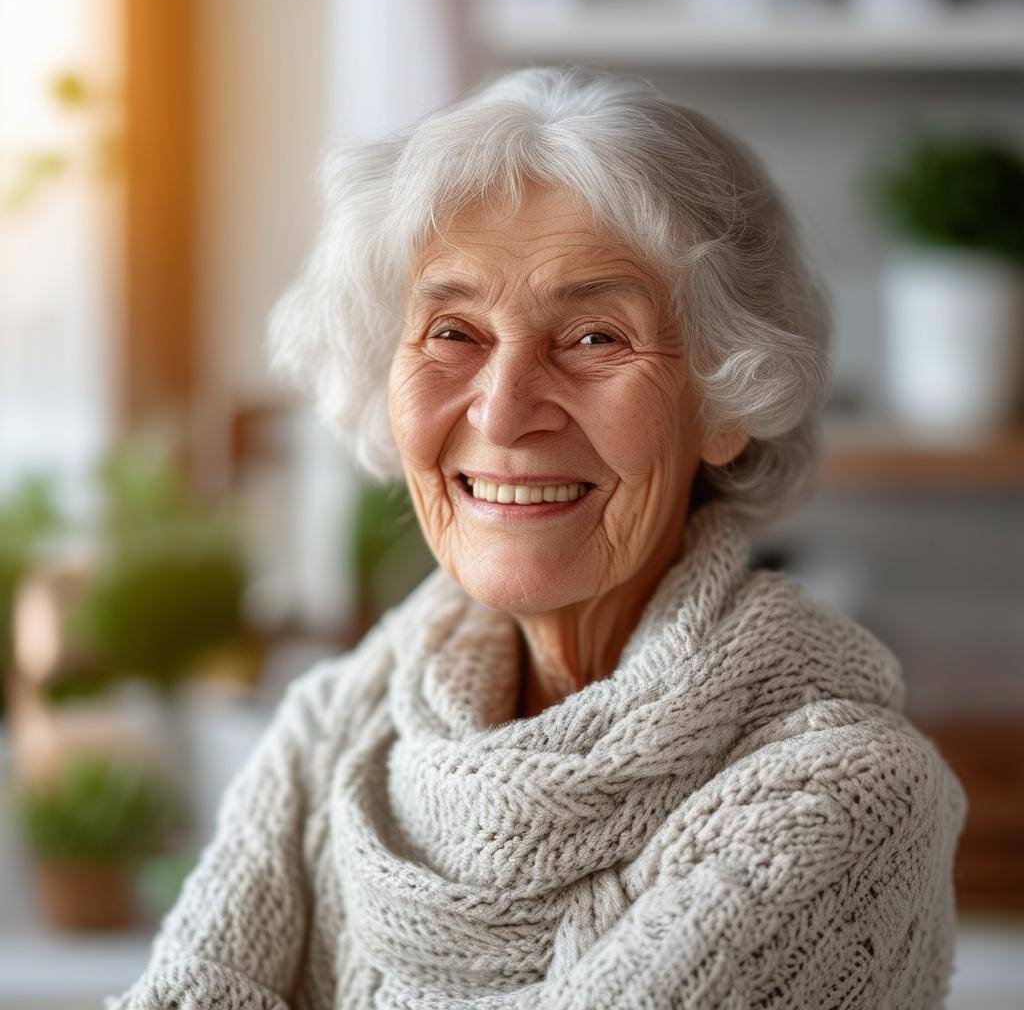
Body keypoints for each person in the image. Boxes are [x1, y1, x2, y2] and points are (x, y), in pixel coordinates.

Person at [106, 66, 966, 1010]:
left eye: (596, 338)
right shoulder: (334, 731)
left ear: (726, 399)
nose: (506, 411)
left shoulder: (838, 794)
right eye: (453, 332)